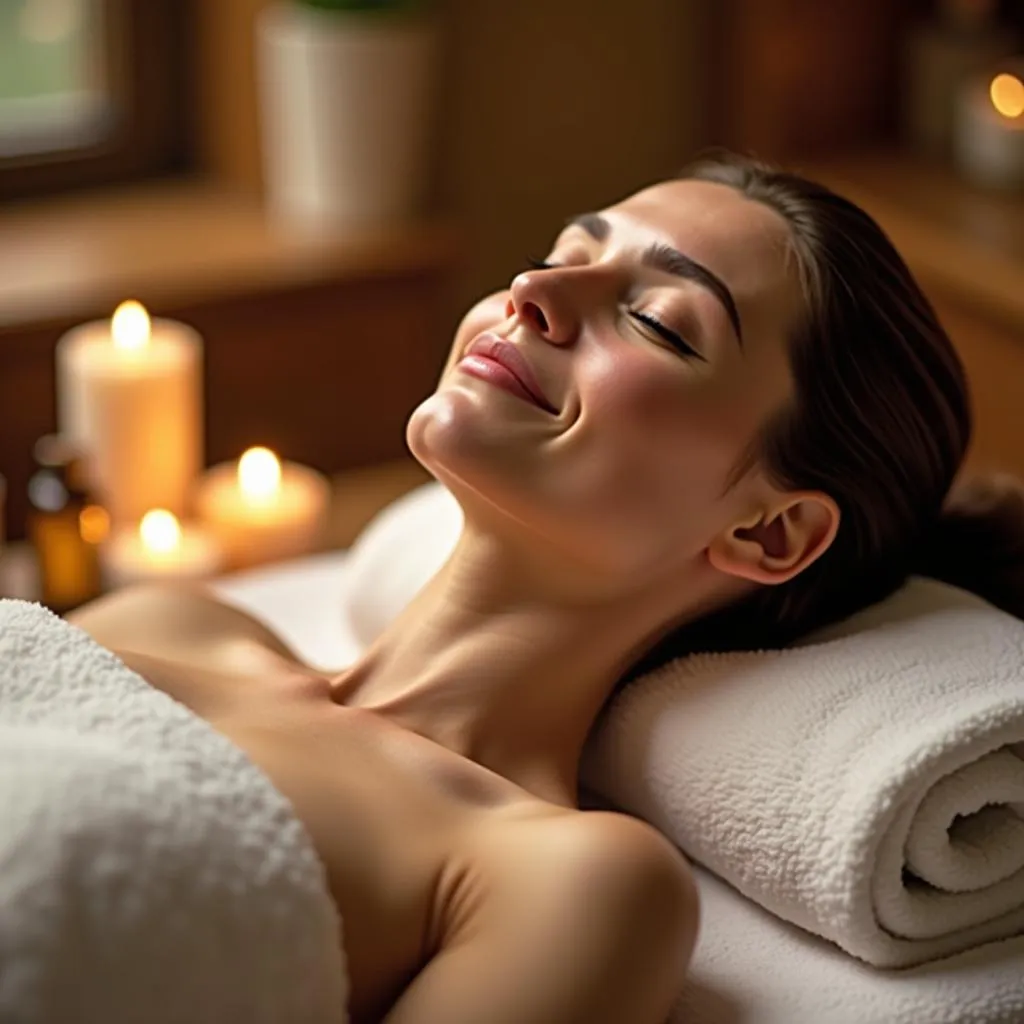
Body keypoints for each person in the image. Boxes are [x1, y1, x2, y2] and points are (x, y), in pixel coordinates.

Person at [68, 153, 1024, 1024]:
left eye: (656, 321)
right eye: (563, 253)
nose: (532, 290)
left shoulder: (563, 881)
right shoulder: (172, 620)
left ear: (769, 532)